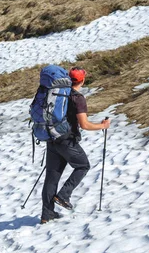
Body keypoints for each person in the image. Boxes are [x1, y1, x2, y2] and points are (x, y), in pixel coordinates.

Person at [40, 67, 111, 224]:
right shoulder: (77, 98)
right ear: (82, 80)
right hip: (67, 140)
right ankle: (64, 195)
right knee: (83, 165)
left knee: (51, 178)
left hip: (53, 139)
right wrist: (103, 126)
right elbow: (84, 124)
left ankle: (47, 214)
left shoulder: (57, 93)